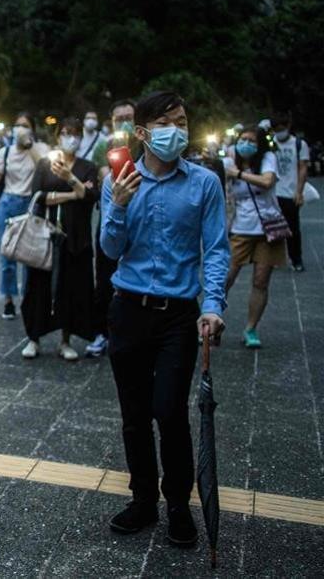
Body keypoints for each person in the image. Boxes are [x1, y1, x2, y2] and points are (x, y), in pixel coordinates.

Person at [100, 90, 228, 549]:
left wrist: (213, 305)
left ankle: (177, 503)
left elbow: (215, 249)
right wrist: (117, 204)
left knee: (169, 410)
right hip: (128, 309)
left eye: (183, 120)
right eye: (167, 122)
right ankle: (142, 499)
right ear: (142, 132)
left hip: (178, 316)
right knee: (134, 415)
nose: (178, 129)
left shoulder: (204, 183)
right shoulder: (119, 178)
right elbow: (111, 250)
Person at [20, 119, 97, 360]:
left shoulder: (88, 167)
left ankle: (66, 339)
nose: (69, 138)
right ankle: (34, 337)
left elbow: (90, 196)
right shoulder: (45, 164)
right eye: (64, 133)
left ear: (80, 138)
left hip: (75, 239)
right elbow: (38, 196)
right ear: (57, 137)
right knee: (37, 287)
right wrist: (73, 193)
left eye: (74, 134)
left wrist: (70, 177)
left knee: (71, 288)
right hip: (45, 236)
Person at [223, 125, 283, 348]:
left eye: (251, 140)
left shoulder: (267, 158)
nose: (245, 143)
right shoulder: (230, 158)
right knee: (226, 277)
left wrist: (238, 174)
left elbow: (267, 181)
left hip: (268, 228)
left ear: (259, 145)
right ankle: (208, 322)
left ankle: (251, 329)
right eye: (242, 139)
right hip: (240, 228)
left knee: (261, 280)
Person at [86, 99, 136, 357]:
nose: (125, 122)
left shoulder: (147, 147)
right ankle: (100, 332)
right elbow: (111, 179)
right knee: (104, 276)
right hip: (109, 217)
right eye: (119, 119)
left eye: (129, 117)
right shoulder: (104, 146)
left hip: (137, 220)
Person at [0, 113, 48, 320]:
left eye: (24, 125)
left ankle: (28, 298)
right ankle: (8, 300)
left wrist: (29, 145)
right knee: (7, 254)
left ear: (32, 129)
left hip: (31, 204)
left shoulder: (40, 149)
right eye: (17, 125)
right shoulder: (5, 152)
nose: (20, 129)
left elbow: (45, 169)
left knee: (30, 255)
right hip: (7, 202)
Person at [271, 114, 309, 272]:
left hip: (290, 193)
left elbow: (303, 168)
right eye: (276, 130)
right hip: (272, 193)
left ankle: (296, 259)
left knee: (293, 229)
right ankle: (274, 258)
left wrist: (299, 192)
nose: (279, 132)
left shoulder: (299, 144)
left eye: (282, 129)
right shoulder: (270, 143)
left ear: (288, 127)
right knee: (272, 229)